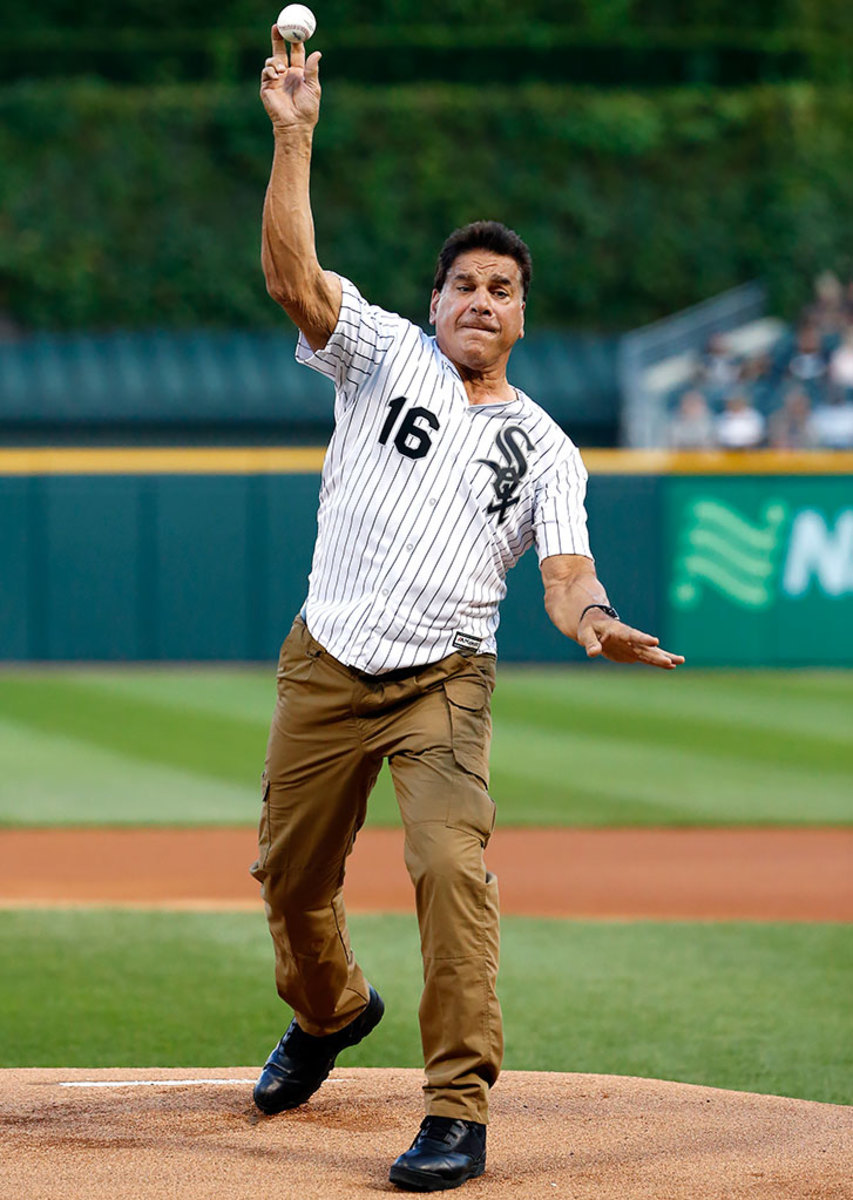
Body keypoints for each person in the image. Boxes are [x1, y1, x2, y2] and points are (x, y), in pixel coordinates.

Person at [251, 27, 684, 1194]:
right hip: (328, 660)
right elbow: (294, 280)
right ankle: (333, 1010)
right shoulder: (382, 353)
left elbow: (563, 572)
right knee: (289, 883)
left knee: (451, 872)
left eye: (502, 290)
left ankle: (456, 1110)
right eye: (464, 284)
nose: (480, 300)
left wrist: (594, 620)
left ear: (522, 318)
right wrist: (294, 136)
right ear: (433, 299)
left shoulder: (544, 446)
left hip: (446, 678)